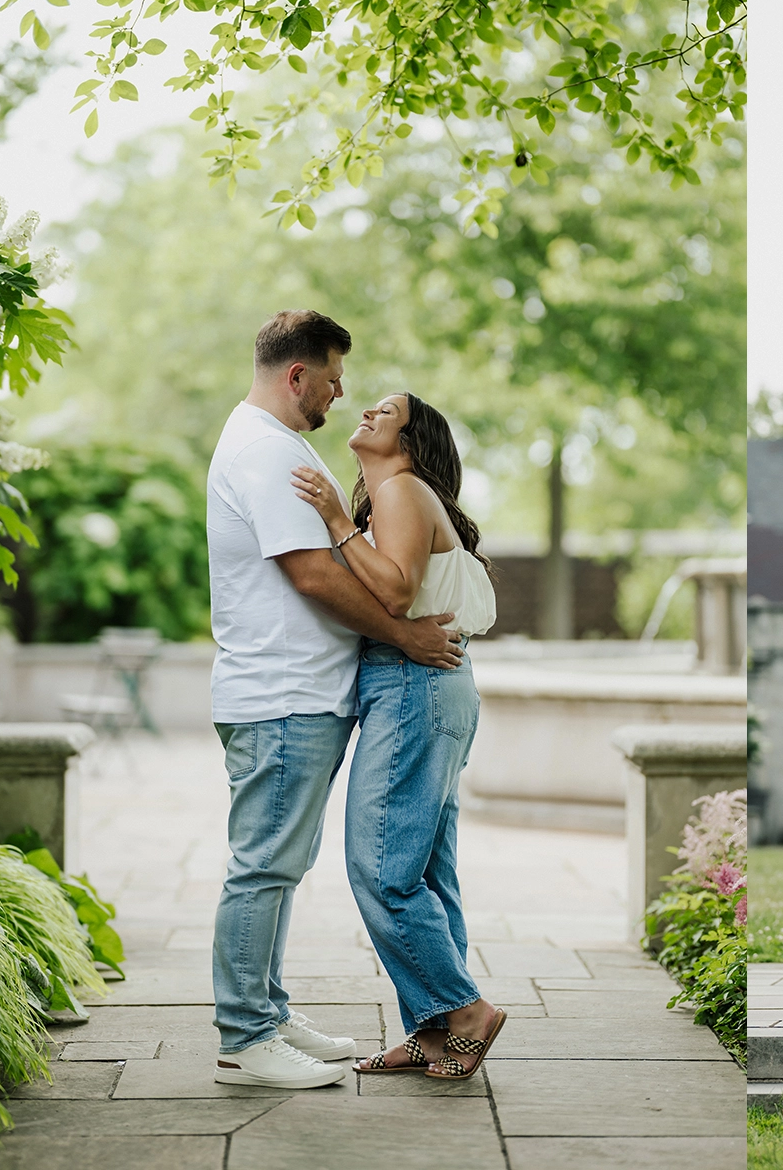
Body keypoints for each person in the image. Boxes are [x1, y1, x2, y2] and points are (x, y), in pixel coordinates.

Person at [203, 311, 465, 1089]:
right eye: (332, 377)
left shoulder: (275, 444)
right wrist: (407, 637)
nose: (340, 393)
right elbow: (314, 574)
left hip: (298, 696)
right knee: (263, 867)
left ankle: (268, 1012)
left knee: (280, 866)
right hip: (281, 695)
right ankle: (245, 1036)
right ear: (297, 376)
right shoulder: (264, 450)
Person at [290, 392, 506, 1081]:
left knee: (381, 866)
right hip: (427, 685)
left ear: (411, 443)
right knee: (425, 872)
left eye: (388, 412)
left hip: (414, 684)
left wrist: (334, 519)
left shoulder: (401, 490)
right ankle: (434, 1030)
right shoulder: (396, 496)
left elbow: (397, 592)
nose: (369, 412)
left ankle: (464, 1012)